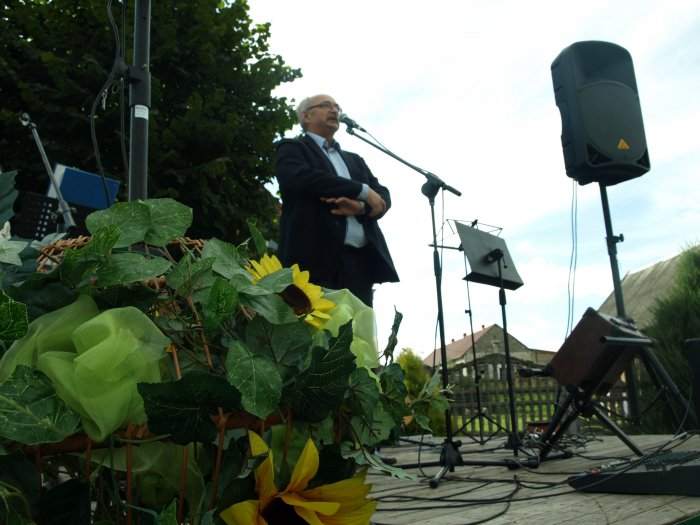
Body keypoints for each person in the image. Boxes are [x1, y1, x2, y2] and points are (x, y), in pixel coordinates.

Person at [274, 94, 399, 307]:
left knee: (359, 325)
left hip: (360, 263)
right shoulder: (292, 148)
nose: (334, 110)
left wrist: (361, 207)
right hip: (313, 261)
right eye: (325, 105)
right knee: (314, 324)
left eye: (336, 107)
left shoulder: (354, 160)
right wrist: (361, 190)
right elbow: (300, 178)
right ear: (306, 116)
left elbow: (382, 195)